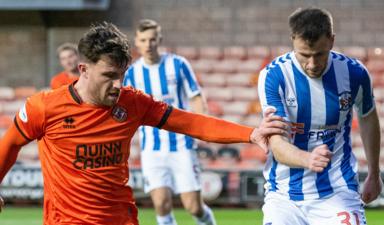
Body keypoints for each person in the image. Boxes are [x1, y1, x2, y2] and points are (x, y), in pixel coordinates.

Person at [0, 22, 288, 225]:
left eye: (122, 75)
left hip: (122, 219)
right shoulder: (45, 107)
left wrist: (250, 133)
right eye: (109, 75)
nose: (117, 85)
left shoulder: (132, 103)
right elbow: (11, 143)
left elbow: (188, 122)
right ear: (83, 69)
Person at [258, 7, 382, 225]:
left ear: (332, 41)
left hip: (338, 191)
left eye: (320, 54)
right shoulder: (274, 76)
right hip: (284, 196)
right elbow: (277, 144)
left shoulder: (355, 73)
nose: (312, 64)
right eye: (304, 55)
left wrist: (374, 171)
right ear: (293, 40)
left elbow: (368, 116)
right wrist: (308, 159)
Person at [123, 19, 214, 225]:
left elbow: (196, 97)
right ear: (137, 42)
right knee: (161, 204)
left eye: (152, 39)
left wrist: (201, 130)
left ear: (159, 40)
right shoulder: (132, 74)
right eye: (144, 40)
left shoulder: (178, 64)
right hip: (152, 149)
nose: (148, 44)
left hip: (182, 145)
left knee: (193, 206)